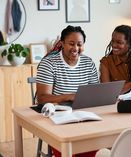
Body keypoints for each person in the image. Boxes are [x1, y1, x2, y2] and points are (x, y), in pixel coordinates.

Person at [36, 25, 98, 157]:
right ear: (62, 43)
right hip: (58, 116)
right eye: (71, 44)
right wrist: (69, 96)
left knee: (93, 142)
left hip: (83, 115)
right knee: (66, 149)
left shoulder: (88, 63)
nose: (75, 48)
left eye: (79, 44)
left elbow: (95, 92)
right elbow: (42, 98)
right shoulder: (49, 63)